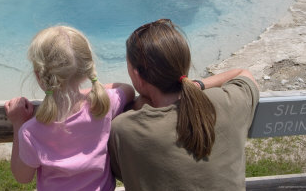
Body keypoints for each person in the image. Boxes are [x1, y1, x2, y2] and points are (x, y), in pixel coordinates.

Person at [108, 19, 259, 191]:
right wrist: (197, 85)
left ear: (138, 76)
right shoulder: (228, 102)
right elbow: (243, 73)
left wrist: (137, 102)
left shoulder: (125, 129)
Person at [5, 25, 134, 191]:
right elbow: (127, 89)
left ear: (39, 75)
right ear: (86, 69)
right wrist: (86, 92)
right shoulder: (105, 104)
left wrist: (17, 123)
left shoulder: (31, 131)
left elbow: (22, 177)